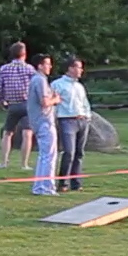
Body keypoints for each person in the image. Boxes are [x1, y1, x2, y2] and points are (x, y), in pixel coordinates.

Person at [0, 43, 37, 169]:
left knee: (7, 133)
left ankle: (3, 162)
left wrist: (0, 101)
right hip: (27, 104)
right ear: (24, 54)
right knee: (27, 133)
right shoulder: (30, 69)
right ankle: (24, 164)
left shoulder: (4, 69)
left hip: (12, 105)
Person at [52, 56, 91, 191]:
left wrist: (87, 117)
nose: (81, 70)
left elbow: (85, 103)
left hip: (82, 120)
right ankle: (63, 182)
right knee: (69, 152)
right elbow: (54, 104)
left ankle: (76, 183)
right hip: (67, 120)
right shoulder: (58, 84)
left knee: (79, 153)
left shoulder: (80, 86)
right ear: (70, 68)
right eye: (78, 67)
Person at [27, 54, 60, 195]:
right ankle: (46, 187)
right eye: (47, 63)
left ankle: (39, 186)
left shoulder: (37, 79)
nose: (50, 67)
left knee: (44, 155)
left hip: (39, 122)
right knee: (49, 156)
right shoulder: (40, 80)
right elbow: (45, 102)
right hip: (45, 121)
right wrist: (56, 99)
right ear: (40, 65)